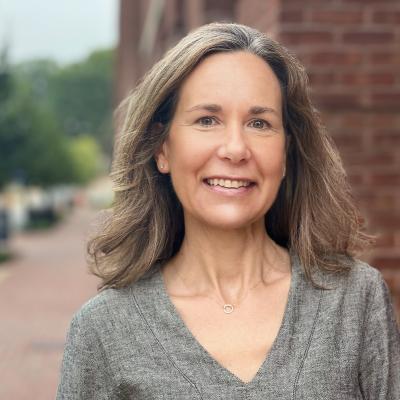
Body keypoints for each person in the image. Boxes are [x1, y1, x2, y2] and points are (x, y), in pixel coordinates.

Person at [56, 22, 400, 399]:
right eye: (207, 120)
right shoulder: (104, 330)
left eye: (259, 123)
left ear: (285, 153)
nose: (235, 149)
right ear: (162, 149)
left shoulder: (355, 300)